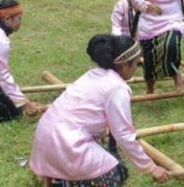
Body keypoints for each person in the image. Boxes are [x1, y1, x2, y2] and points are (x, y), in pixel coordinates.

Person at [29, 34, 170, 185]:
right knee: (117, 173)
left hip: (45, 140)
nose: (136, 68)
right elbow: (123, 133)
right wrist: (151, 168)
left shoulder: (92, 75)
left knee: (106, 158)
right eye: (135, 63)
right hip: (65, 144)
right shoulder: (117, 88)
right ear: (124, 65)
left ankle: (56, 174)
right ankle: (65, 180)